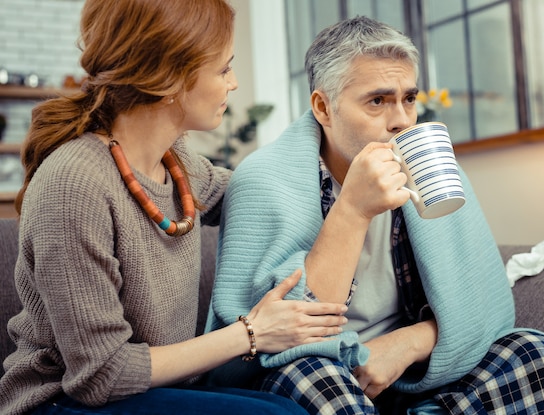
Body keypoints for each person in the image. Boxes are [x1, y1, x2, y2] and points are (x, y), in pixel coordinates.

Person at [207, 16, 544, 415]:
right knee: (311, 374)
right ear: (323, 107)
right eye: (377, 101)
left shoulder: (434, 170)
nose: (401, 120)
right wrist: (352, 210)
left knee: (538, 355)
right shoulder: (264, 179)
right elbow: (262, 344)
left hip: (413, 374)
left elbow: (488, 305)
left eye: (408, 98)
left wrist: (412, 341)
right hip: (325, 373)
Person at [0, 1, 350, 414]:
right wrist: (253, 332)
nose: (233, 83)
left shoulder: (175, 160)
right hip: (62, 401)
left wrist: (346, 166)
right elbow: (101, 375)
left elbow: (255, 191)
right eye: (223, 69)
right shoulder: (74, 184)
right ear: (167, 79)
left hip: (154, 390)